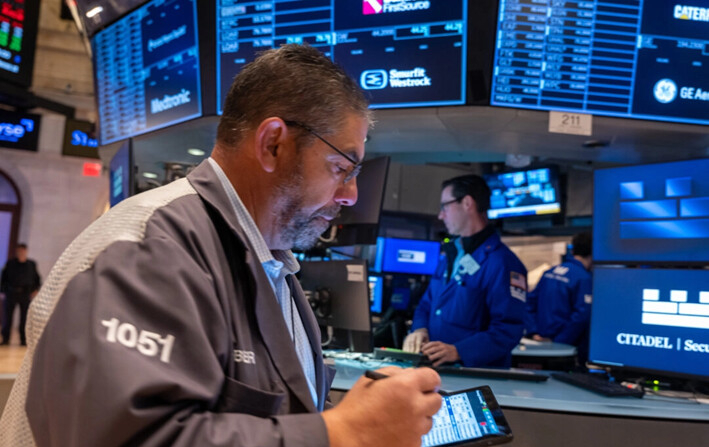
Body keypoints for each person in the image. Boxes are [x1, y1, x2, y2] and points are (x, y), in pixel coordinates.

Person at [0, 45, 441, 447]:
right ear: (273, 144)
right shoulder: (148, 244)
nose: (351, 195)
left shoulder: (274, 265)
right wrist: (344, 433)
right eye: (342, 167)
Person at [402, 175, 527, 367]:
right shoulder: (451, 254)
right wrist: (420, 329)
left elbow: (507, 330)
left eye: (445, 206)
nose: (440, 215)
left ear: (467, 203)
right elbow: (426, 305)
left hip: (476, 376)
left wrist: (459, 351)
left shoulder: (502, 263)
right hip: (438, 371)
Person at [525, 232, 593, 363]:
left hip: (538, 344)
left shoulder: (549, 272)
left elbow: (529, 304)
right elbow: (581, 317)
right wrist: (558, 342)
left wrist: (534, 333)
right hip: (565, 352)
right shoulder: (584, 278)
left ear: (573, 250)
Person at [0, 243, 41, 346]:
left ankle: (23, 339)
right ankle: (5, 338)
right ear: (17, 252)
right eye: (19, 251)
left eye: (23, 251)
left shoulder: (31, 264)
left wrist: (35, 289)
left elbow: (37, 279)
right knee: (7, 317)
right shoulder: (10, 264)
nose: (21, 253)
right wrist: (3, 291)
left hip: (25, 294)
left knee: (24, 318)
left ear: (26, 251)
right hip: (11, 293)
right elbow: (3, 278)